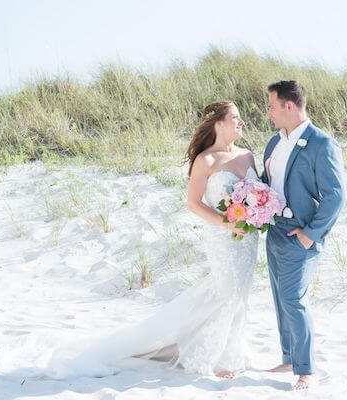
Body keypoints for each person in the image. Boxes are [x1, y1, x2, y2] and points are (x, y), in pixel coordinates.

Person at [47, 101, 259, 380]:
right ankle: (217, 359)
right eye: (235, 117)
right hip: (222, 236)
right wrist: (227, 222)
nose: (241, 122)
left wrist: (257, 213)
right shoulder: (205, 160)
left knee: (239, 292)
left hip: (248, 239)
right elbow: (194, 204)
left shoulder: (248, 155)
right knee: (228, 291)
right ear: (218, 123)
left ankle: (230, 352)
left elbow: (259, 193)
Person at [261, 80, 346, 390]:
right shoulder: (273, 143)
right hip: (275, 231)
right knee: (279, 297)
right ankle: (289, 358)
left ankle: (307, 369)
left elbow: (335, 196)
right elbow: (266, 183)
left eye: (271, 106)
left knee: (294, 299)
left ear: (289, 106)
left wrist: (311, 234)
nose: (268, 112)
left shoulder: (322, 144)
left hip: (301, 234)